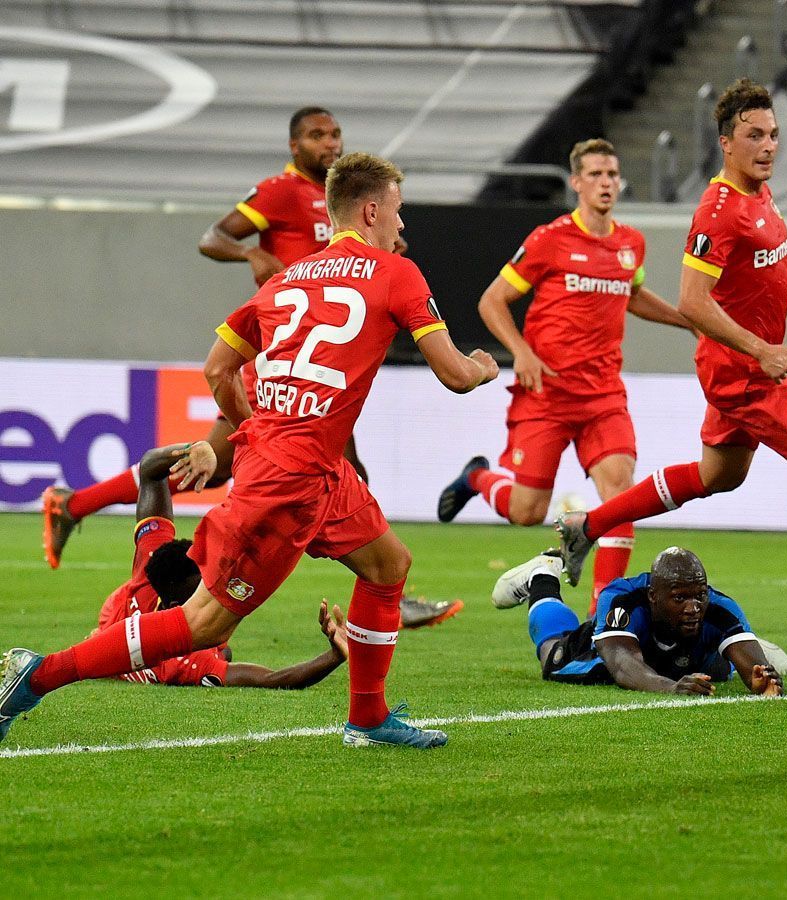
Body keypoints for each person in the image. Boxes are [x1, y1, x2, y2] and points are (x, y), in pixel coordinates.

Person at [2, 152, 501, 749]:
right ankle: (39, 674)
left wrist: (253, 432)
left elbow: (218, 368)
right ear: (370, 211)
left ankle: (368, 719)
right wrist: (482, 367)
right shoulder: (398, 273)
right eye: (397, 211)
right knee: (202, 623)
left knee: (388, 565)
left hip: (317, 468)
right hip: (285, 483)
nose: (402, 226)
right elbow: (454, 375)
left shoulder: (285, 280)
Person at [39, 107, 455, 630]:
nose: (328, 143)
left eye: (334, 134)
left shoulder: (342, 205)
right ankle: (377, 587)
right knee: (244, 464)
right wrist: (249, 256)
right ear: (293, 144)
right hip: (288, 357)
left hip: (321, 356)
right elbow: (212, 235)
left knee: (251, 463)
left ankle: (79, 506)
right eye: (315, 135)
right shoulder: (281, 193)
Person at [554, 79, 787, 626]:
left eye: (773, 134)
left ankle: (589, 525)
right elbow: (692, 302)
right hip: (743, 373)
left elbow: (772, 254)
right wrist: (762, 350)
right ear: (727, 142)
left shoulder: (760, 195)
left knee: (716, 476)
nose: (768, 145)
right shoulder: (718, 211)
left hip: (744, 367)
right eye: (754, 135)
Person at [437, 139, 691, 611]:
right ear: (576, 182)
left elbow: (631, 296)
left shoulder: (630, 243)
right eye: (595, 174)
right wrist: (522, 353)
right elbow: (491, 302)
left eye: (612, 174)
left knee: (619, 492)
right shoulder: (549, 239)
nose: (605, 183)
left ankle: (604, 610)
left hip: (603, 397)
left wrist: (689, 319)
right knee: (527, 512)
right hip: (546, 394)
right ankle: (476, 478)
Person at [90, 440, 352, 690]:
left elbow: (149, 469)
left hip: (118, 613)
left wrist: (190, 450)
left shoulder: (154, 561)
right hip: (121, 632)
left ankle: (104, 636)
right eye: (200, 586)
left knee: (218, 640)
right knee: (220, 647)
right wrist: (333, 657)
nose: (211, 583)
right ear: (173, 608)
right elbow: (268, 679)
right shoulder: (180, 663)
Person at [492, 548, 783, 697]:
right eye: (680, 598)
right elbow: (622, 666)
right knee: (553, 653)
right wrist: (670, 688)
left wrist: (760, 679)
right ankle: (542, 577)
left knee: (720, 670)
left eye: (699, 596)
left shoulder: (720, 608)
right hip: (608, 652)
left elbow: (755, 674)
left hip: (681, 660)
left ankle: (722, 650)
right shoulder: (622, 598)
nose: (694, 607)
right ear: (654, 596)